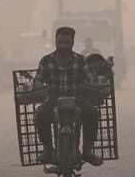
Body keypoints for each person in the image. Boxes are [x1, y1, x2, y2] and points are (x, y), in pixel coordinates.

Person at [34, 27, 103, 166]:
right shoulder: (46, 61)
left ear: (72, 43)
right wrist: (37, 86)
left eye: (66, 42)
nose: (63, 45)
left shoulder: (81, 61)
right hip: (53, 100)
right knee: (40, 114)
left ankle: (87, 150)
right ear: (55, 41)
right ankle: (47, 149)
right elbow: (38, 80)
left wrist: (94, 84)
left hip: (77, 100)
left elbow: (92, 78)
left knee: (93, 113)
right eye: (60, 42)